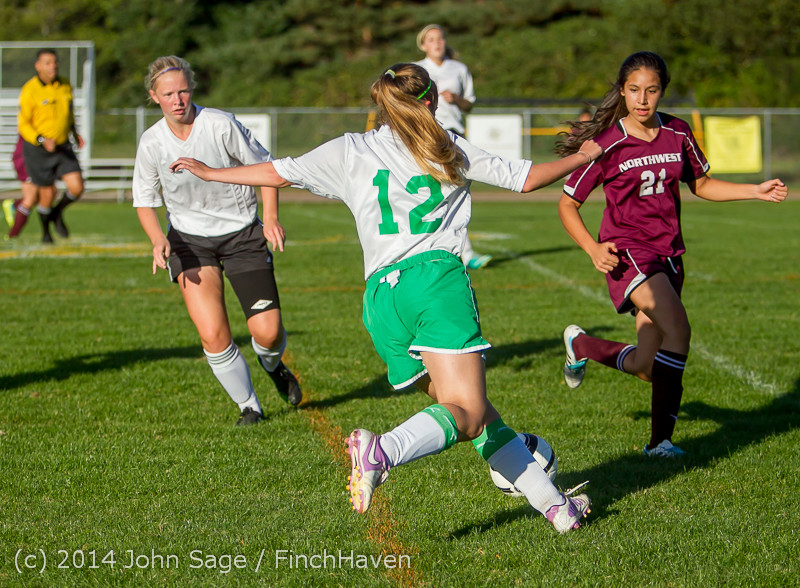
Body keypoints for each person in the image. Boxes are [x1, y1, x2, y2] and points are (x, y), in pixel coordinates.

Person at [171, 63, 604, 532]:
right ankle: (382, 451)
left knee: (475, 416)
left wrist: (213, 173)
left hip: (381, 300)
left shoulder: (350, 148)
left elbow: (278, 172)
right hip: (434, 283)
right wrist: (582, 157)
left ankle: (557, 510)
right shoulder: (444, 146)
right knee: (467, 411)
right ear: (432, 100)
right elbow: (526, 178)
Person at [554, 51, 787, 458]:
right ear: (622, 92)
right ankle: (659, 443)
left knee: (648, 366)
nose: (642, 99)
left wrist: (755, 190)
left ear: (662, 91)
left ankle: (582, 345)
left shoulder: (677, 132)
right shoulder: (608, 143)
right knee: (679, 331)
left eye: (652, 90)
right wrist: (592, 248)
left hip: (669, 254)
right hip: (629, 252)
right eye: (633, 90)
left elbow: (702, 184)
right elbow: (567, 203)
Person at [132, 55, 302, 425]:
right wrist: (157, 238)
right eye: (168, 94)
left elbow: (266, 169)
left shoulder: (220, 125)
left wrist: (269, 217)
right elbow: (144, 200)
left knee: (268, 333)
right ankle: (249, 406)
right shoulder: (152, 143)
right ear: (154, 96)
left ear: (191, 89)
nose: (178, 100)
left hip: (242, 235)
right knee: (212, 333)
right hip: (190, 243)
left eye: (183, 91)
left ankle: (273, 366)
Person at [415, 24, 491, 271]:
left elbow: (469, 103)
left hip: (452, 135)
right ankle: (440, 248)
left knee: (453, 189)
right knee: (429, 190)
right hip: (425, 134)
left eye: (440, 38)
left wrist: (455, 99)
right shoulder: (417, 70)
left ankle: (462, 251)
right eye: (431, 39)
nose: (437, 43)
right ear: (423, 45)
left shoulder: (459, 69)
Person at [18, 48, 85, 243]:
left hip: (63, 145)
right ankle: (46, 233)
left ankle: (57, 213)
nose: (53, 66)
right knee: (47, 193)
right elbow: (23, 123)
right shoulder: (30, 89)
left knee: (77, 187)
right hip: (38, 149)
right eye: (48, 63)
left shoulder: (65, 85)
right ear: (38, 66)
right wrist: (41, 139)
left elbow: (68, 113)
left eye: (55, 62)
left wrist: (74, 131)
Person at [5, 135, 56, 239]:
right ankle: (12, 236)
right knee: (30, 198)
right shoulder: (30, 122)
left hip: (40, 158)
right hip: (27, 158)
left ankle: (14, 205)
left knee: (46, 195)